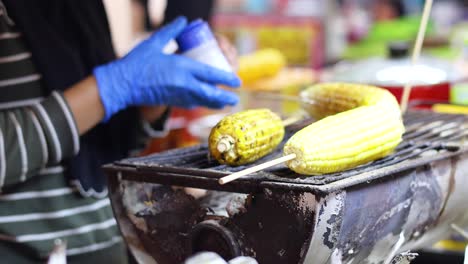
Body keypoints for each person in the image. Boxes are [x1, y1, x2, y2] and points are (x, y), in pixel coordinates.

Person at [0, 0, 240, 263]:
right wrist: (115, 84)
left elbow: (104, 138)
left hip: (107, 243)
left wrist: (156, 90)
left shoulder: (81, 9)